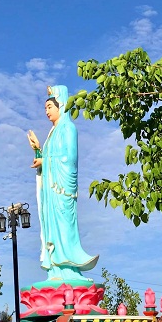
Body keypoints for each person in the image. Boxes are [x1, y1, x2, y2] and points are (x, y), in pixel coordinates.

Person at [28, 85, 98, 281]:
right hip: (51, 192)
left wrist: (45, 161)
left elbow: (69, 159)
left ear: (61, 106)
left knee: (65, 227)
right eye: (45, 108)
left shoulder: (68, 128)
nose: (47, 111)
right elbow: (47, 159)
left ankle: (69, 270)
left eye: (50, 107)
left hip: (62, 189)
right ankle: (55, 270)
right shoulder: (52, 133)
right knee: (52, 229)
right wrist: (38, 150)